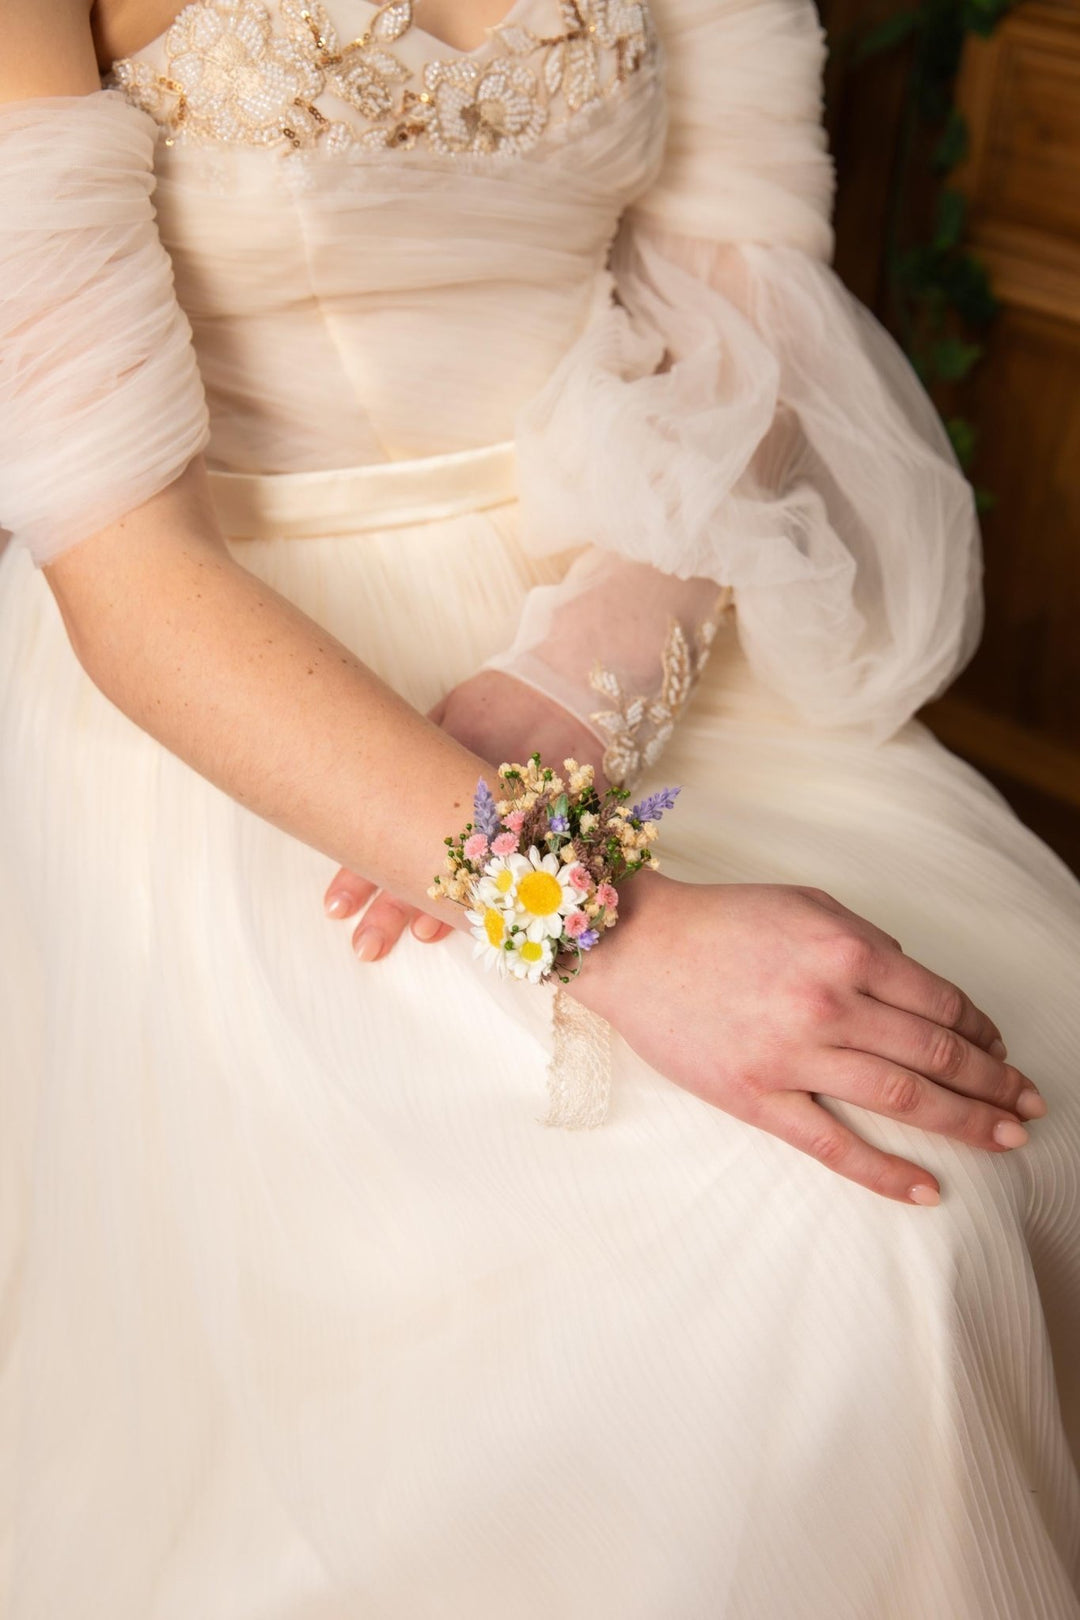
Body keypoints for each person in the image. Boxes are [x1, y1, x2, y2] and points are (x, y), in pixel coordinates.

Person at [1, 0, 1078, 1613]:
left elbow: (749, 328)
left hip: (636, 601)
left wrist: (587, 682)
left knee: (1008, 1097)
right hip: (244, 706)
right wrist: (603, 924)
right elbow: (132, 572)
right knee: (862, 1251)